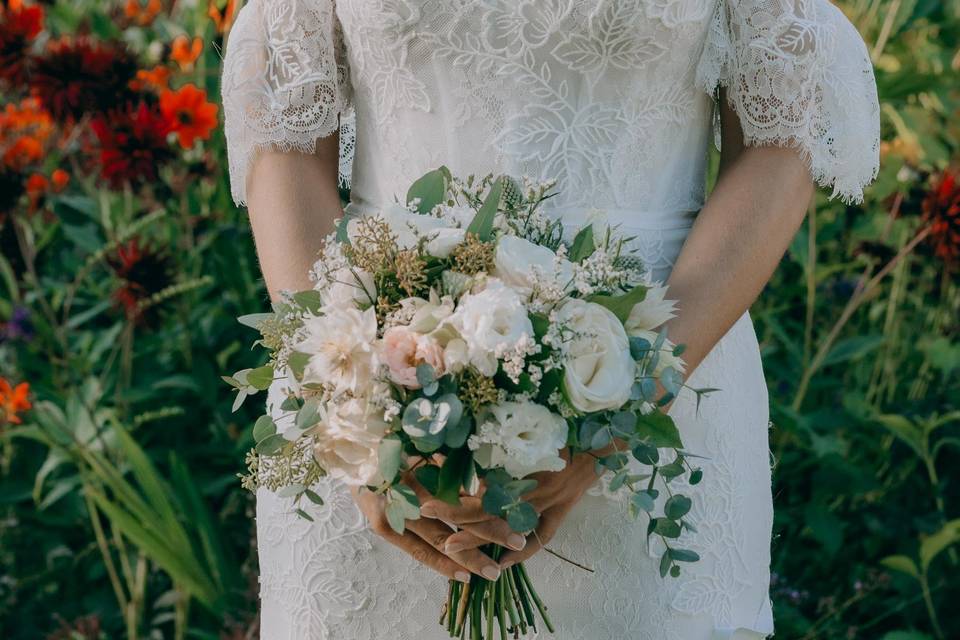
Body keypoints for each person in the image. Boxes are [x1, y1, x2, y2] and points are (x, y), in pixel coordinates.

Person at [220, 1, 880, 638]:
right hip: (376, 383)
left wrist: (626, 402)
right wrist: (354, 413)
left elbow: (781, 133)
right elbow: (285, 130)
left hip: (665, 374)